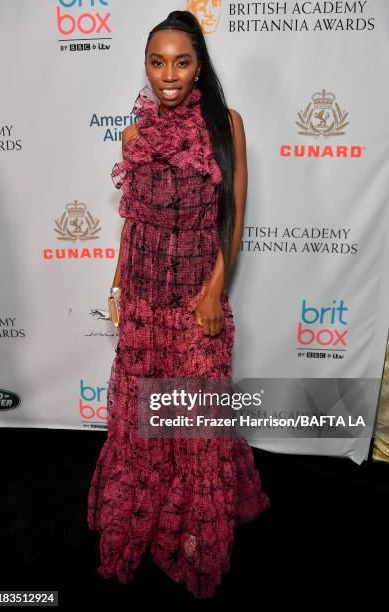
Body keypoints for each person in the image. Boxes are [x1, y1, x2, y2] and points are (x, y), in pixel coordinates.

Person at [87, 10, 270, 600]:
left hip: (195, 297)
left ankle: (191, 535)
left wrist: (215, 290)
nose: (168, 74)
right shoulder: (133, 135)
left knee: (194, 424)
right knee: (143, 422)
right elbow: (130, 220)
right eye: (157, 62)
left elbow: (234, 215)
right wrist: (117, 287)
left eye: (181, 61)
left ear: (199, 66)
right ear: (145, 65)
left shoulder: (226, 125)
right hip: (142, 298)